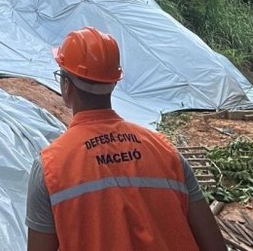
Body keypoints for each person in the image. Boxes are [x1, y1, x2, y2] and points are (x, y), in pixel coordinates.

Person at [26, 26, 226, 251]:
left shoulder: (50, 169)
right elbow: (215, 246)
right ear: (113, 82)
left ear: (66, 85)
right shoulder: (167, 153)